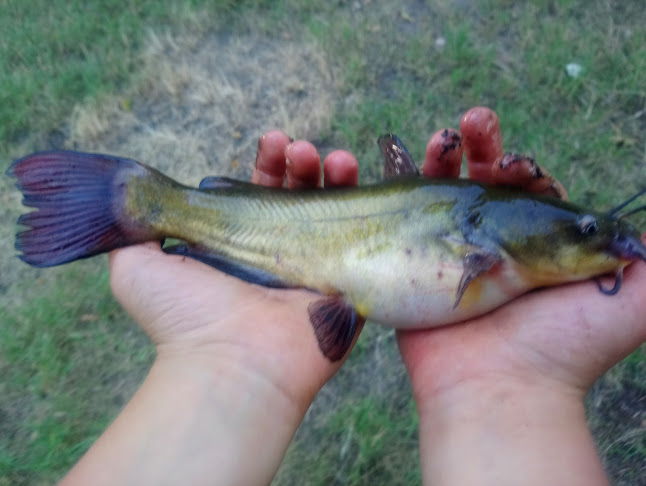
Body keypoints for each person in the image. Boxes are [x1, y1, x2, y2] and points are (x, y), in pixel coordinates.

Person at [59, 108, 646, 486]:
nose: (600, 237)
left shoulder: (504, 257)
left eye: (589, 230)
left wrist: (524, 381)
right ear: (487, 243)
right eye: (588, 231)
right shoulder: (487, 246)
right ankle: (135, 198)